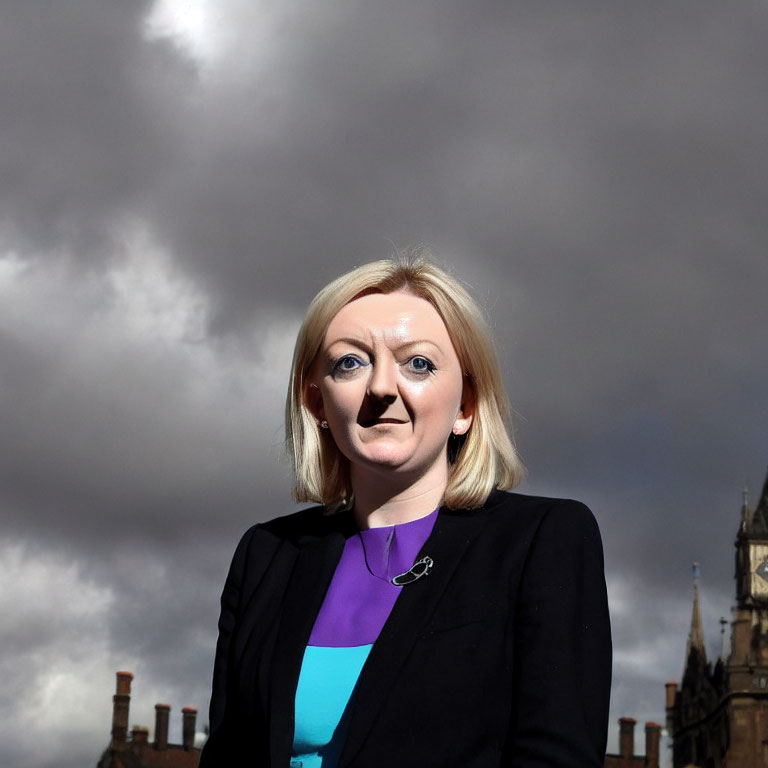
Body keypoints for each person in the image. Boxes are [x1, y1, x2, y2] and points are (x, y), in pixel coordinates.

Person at [199, 255, 612, 768]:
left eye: (418, 363)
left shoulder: (542, 541)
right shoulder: (266, 555)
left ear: (466, 406)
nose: (380, 387)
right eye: (350, 362)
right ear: (316, 403)